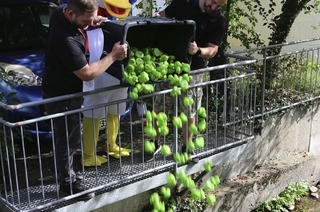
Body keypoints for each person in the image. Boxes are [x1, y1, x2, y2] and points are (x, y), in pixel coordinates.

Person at [41, 0, 128, 199]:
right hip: (61, 95)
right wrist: (113, 56)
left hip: (61, 90)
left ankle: (59, 171)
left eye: (92, 18)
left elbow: (84, 17)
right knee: (68, 139)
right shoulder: (66, 39)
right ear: (71, 14)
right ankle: (68, 185)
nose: (89, 24)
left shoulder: (61, 12)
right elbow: (88, 73)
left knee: (65, 137)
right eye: (86, 20)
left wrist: (92, 20)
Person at [146, 0, 228, 163]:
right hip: (167, 65)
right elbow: (163, 15)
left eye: (219, 6)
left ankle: (186, 149)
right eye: (214, 2)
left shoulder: (218, 20)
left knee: (189, 111)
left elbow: (213, 49)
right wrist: (156, 19)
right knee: (160, 106)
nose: (214, 8)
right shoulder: (183, 2)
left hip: (193, 70)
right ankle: (154, 144)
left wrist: (198, 50)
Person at [81, 0, 134, 167]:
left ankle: (112, 145)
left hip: (120, 74)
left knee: (116, 109)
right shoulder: (88, 19)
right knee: (94, 111)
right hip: (100, 72)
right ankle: (89, 153)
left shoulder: (120, 19)